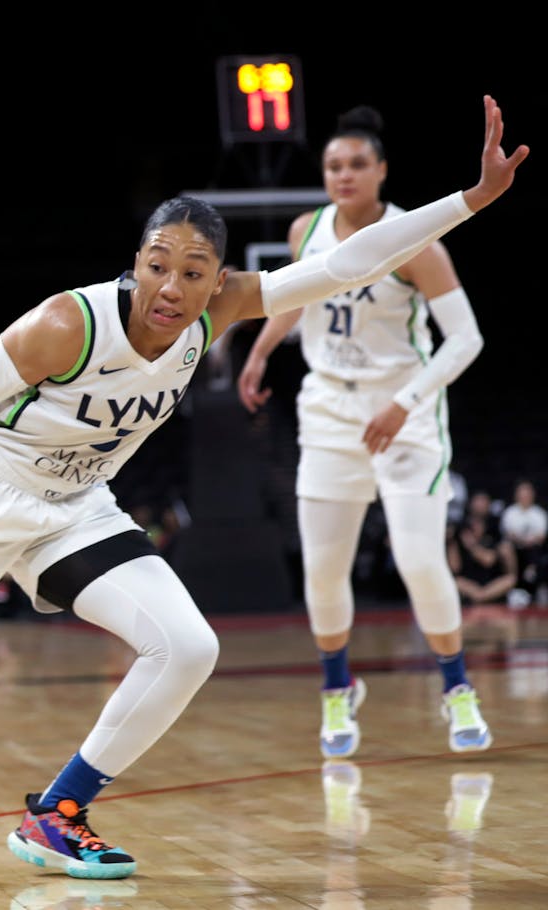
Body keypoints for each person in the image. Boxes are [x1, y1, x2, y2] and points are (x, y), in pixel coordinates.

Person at [0, 96, 527, 881]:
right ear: (136, 263)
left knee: (188, 647)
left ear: (217, 282)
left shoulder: (221, 310)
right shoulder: (68, 323)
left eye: (193, 272)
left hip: (74, 507)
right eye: (157, 264)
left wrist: (471, 201)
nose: (171, 287)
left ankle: (59, 812)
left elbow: (346, 265)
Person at [236, 104, 504, 759]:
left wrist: (405, 402)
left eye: (358, 163)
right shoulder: (307, 231)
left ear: (382, 171)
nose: (345, 174)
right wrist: (262, 349)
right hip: (329, 414)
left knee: (419, 564)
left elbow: (465, 340)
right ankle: (337, 690)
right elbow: (295, 297)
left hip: (404, 418)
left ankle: (456, 687)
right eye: (334, 165)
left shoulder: (418, 243)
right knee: (325, 574)